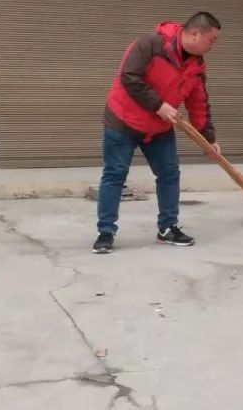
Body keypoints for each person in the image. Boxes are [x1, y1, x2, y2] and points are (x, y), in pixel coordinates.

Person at [92, 13, 222, 254]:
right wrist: (159, 106)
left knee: (169, 173)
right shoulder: (150, 45)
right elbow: (129, 77)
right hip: (123, 120)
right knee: (115, 174)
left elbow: (199, 104)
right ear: (195, 34)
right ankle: (106, 232)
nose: (213, 46)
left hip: (159, 128)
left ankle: (167, 227)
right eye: (211, 40)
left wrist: (208, 140)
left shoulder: (196, 65)